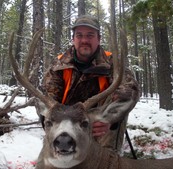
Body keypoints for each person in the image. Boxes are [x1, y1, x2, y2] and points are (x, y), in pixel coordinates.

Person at [43, 15, 140, 153]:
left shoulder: (112, 62)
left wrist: (110, 120)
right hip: (67, 119)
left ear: (98, 39)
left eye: (90, 35)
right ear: (73, 39)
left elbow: (131, 90)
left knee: (119, 97)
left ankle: (107, 155)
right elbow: (48, 97)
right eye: (79, 35)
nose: (84, 40)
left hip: (98, 122)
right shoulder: (59, 64)